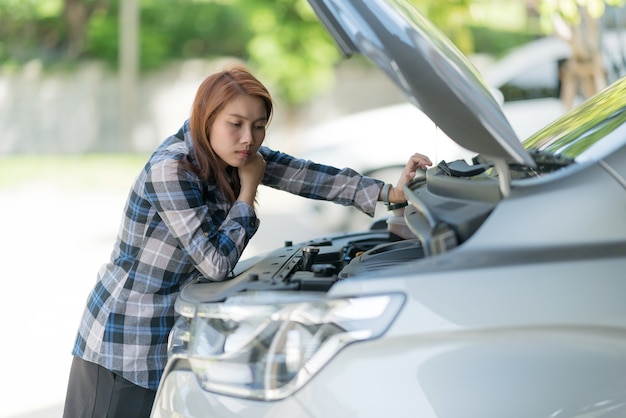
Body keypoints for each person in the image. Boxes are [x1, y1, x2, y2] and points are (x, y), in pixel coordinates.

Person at [62, 66, 432, 418]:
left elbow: (309, 176)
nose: (248, 139)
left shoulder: (228, 154)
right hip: (123, 337)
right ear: (206, 119)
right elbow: (215, 263)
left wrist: (391, 192)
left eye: (258, 126)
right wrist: (249, 189)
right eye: (235, 124)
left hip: (169, 329)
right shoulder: (171, 169)